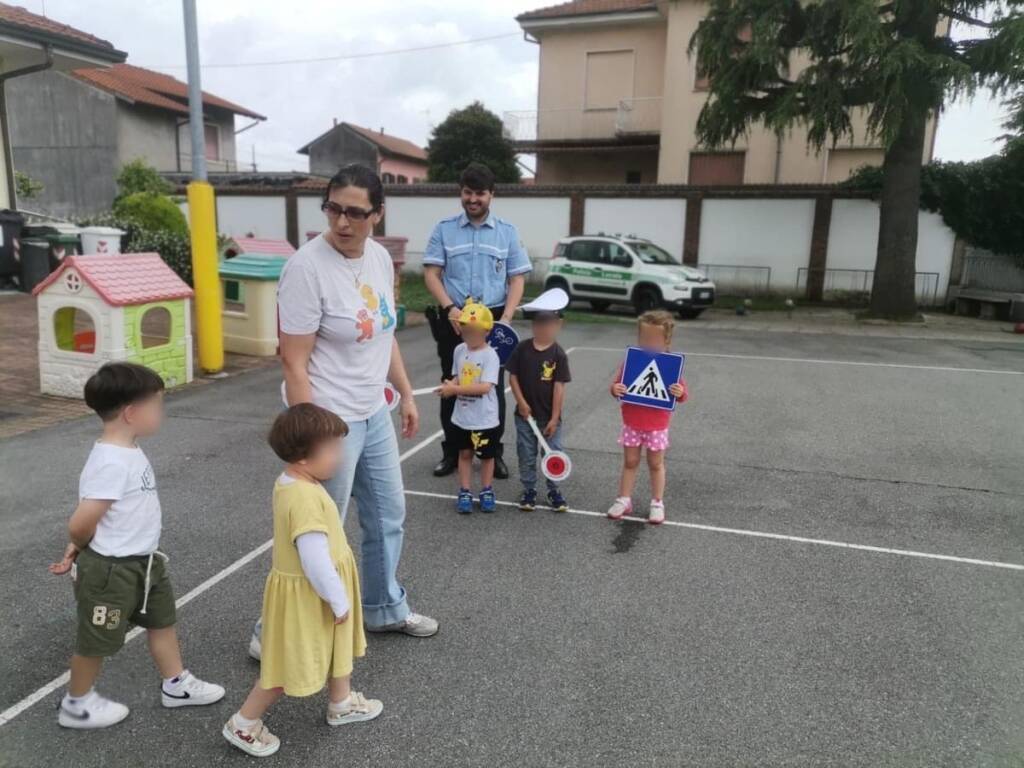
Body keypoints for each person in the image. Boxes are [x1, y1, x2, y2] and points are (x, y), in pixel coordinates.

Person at [258, 163, 437, 654]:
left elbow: (383, 332)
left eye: (354, 212)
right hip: (328, 418)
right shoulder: (306, 268)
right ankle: (272, 634)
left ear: (377, 214)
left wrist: (402, 391)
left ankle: (383, 608)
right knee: (317, 531)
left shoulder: (378, 259)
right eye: (333, 209)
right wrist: (309, 441)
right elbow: (293, 361)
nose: (340, 222)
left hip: (371, 410)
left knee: (387, 516)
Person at [48, 362, 224, 729]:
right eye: (157, 405)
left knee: (162, 622)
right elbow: (81, 522)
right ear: (131, 413)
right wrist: (77, 546)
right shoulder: (111, 462)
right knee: (96, 640)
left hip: (145, 563)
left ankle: (176, 684)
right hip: (112, 573)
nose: (161, 412)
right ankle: (76, 704)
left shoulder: (127, 450)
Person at [223, 404, 382, 758]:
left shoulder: (294, 481)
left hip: (317, 591)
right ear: (304, 457)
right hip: (313, 594)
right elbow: (313, 559)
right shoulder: (305, 497)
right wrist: (338, 599)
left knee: (336, 644)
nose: (340, 456)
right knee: (288, 663)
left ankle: (340, 702)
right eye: (333, 449)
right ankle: (244, 723)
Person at [423, 162, 532, 480]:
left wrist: (507, 319)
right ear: (461, 193)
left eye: (480, 193)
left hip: (494, 320)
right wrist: (449, 308)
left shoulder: (507, 233)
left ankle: (491, 453)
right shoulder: (444, 229)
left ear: (491, 195)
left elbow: (517, 279)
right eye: (468, 192)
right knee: (452, 384)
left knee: (491, 389)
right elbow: (431, 273)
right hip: (455, 318)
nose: (473, 199)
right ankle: (453, 452)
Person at [607, 311, 689, 525]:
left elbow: (682, 393)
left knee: (656, 463)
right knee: (630, 461)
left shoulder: (670, 366)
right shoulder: (632, 362)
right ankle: (624, 499)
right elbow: (617, 385)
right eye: (644, 338)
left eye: (654, 339)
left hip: (657, 426)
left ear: (666, 341)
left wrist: (680, 392)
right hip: (632, 422)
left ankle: (657, 502)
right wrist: (616, 388)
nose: (648, 343)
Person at [435, 303, 502, 514]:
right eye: (465, 331)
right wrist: (451, 384)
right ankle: (464, 491)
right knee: (464, 454)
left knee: (487, 456)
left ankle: (486, 490)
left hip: (484, 419)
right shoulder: (459, 350)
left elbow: (484, 387)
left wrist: (455, 390)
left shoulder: (490, 355)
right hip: (463, 417)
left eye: (474, 332)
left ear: (486, 331)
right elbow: (458, 375)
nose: (469, 336)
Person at [507, 305, 571, 513]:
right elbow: (513, 376)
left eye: (548, 324)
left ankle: (554, 490)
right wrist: (521, 403)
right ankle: (529, 490)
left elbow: (559, 387)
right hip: (525, 417)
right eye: (539, 324)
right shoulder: (522, 349)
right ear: (533, 325)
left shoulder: (558, 354)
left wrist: (554, 418)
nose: (543, 329)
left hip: (549, 418)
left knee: (552, 454)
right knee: (526, 454)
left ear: (557, 325)